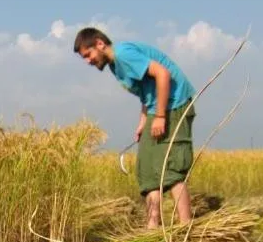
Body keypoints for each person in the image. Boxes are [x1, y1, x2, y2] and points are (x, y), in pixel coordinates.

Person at [73, 27, 196, 229]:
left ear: (100, 44)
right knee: (147, 171)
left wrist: (160, 116)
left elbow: (162, 74)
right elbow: (147, 90)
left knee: (171, 168)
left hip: (174, 105)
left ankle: (186, 227)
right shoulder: (115, 65)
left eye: (88, 55)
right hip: (156, 109)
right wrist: (144, 120)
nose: (88, 61)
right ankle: (152, 228)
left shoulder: (123, 55)